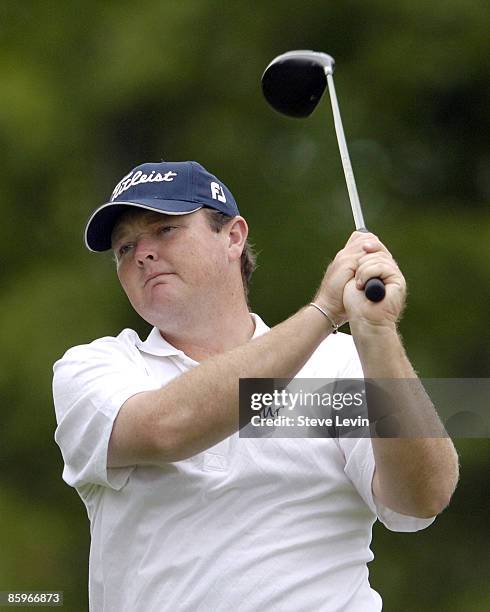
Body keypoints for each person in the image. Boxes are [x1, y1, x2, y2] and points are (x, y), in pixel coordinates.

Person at [53, 160, 459, 612]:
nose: (142, 253)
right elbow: (165, 428)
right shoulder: (95, 367)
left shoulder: (337, 362)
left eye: (165, 230)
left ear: (233, 237)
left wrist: (377, 335)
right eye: (125, 247)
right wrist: (324, 312)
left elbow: (424, 498)